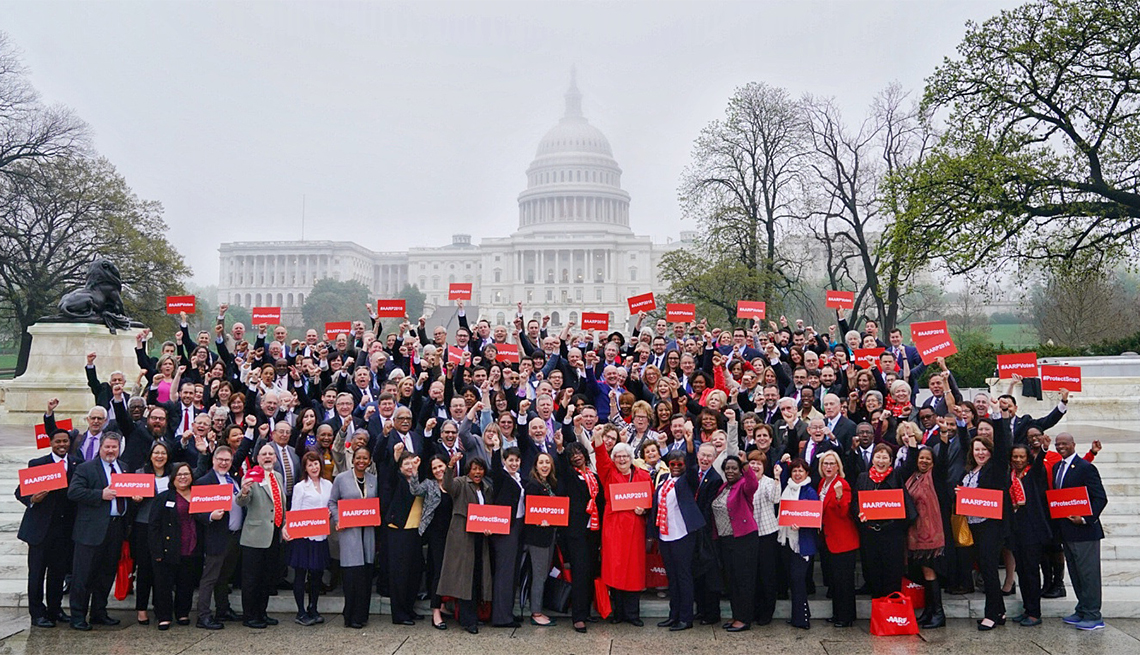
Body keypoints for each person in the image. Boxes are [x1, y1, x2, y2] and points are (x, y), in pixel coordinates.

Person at [67, 432, 130, 630]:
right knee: (83, 575)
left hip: (116, 528)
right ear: (100, 448)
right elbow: (74, 492)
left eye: (114, 447)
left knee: (106, 573)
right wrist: (99, 494)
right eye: (107, 447)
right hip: (90, 530)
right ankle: (78, 616)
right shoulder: (86, 468)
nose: (111, 451)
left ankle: (99, 612)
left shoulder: (124, 468)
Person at [16, 428, 78, 628]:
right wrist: (32, 499)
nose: (62, 445)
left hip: (64, 531)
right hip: (40, 530)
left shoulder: (78, 464)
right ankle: (37, 613)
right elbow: (20, 491)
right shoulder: (38, 464)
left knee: (57, 573)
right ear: (51, 442)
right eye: (58, 441)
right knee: (36, 574)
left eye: (65, 441)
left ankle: (55, 609)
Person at [1052, 432, 1108, 631]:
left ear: (1073, 444)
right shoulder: (1057, 467)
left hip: (1085, 532)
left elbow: (1100, 498)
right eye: (1058, 444)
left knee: (1088, 574)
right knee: (1076, 574)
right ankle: (1083, 609)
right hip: (1066, 531)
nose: (1061, 447)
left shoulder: (1086, 468)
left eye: (1064, 443)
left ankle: (1094, 615)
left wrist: (1085, 519)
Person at [593, 429, 650, 627]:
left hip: (635, 528)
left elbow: (650, 501)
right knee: (615, 569)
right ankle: (618, 612)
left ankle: (633, 614)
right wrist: (598, 437)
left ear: (631, 457)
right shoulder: (608, 472)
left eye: (625, 456)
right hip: (614, 528)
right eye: (617, 456)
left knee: (633, 571)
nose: (622, 459)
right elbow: (600, 456)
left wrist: (644, 510)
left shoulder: (643, 475)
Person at [962, 412, 1012, 631]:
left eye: (984, 450)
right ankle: (999, 611)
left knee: (989, 568)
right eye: (977, 450)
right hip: (974, 524)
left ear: (990, 451)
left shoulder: (996, 467)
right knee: (984, 567)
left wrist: (999, 419)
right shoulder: (971, 471)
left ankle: (991, 614)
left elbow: (1002, 448)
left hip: (991, 524)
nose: (980, 453)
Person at [437, 454, 494, 634]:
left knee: (477, 577)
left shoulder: (486, 487)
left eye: (480, 469)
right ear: (469, 470)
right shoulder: (461, 483)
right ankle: (468, 620)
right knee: (464, 579)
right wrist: (450, 466)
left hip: (480, 538)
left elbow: (489, 512)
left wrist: (489, 526)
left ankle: (475, 616)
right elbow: (447, 486)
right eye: (474, 469)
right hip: (463, 537)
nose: (477, 472)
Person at [652, 446, 706, 632]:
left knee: (683, 576)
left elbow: (692, 468)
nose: (675, 466)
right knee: (672, 578)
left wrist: (690, 448)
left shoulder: (688, 480)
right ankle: (673, 615)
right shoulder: (664, 481)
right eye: (672, 464)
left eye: (679, 464)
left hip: (682, 534)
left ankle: (685, 617)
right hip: (665, 535)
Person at [853, 443, 914, 600]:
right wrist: (859, 514)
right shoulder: (863, 478)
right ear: (872, 459)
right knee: (873, 571)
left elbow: (906, 507)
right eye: (878, 457)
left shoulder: (896, 476)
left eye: (884, 457)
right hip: (870, 533)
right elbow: (855, 502)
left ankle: (891, 611)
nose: (881, 461)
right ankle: (878, 612)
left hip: (892, 534)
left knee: (892, 574)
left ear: (890, 460)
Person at [899, 435, 947, 629]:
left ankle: (938, 613)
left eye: (928, 458)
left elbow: (943, 461)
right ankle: (929, 611)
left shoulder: (934, 476)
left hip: (930, 536)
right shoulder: (913, 476)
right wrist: (911, 446)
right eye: (921, 458)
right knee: (922, 572)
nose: (924, 461)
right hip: (914, 534)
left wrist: (943, 440)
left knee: (930, 572)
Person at [554, 440, 602, 633]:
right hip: (575, 533)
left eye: (579, 452)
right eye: (572, 454)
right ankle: (578, 617)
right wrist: (559, 449)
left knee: (590, 571)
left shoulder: (593, 476)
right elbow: (563, 468)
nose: (576, 456)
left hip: (593, 531)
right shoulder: (569, 475)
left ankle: (587, 611)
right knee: (580, 573)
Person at [236, 443, 286, 629]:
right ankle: (249, 616)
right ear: (258, 458)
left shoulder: (278, 476)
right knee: (251, 579)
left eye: (270, 454)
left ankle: (262, 613)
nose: (267, 457)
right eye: (263, 454)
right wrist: (244, 491)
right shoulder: (251, 476)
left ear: (275, 458)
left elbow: (280, 503)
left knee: (267, 578)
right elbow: (242, 502)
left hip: (274, 534)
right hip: (255, 536)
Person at [328, 446, 379, 629]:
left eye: (365, 458)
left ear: (369, 461)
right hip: (350, 533)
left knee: (365, 576)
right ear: (353, 459)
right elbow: (332, 502)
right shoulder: (341, 479)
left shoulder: (373, 479)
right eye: (358, 458)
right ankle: (350, 616)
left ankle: (362, 615)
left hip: (368, 534)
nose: (361, 461)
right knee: (352, 576)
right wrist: (338, 519)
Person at [194, 445, 243, 630]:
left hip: (234, 536)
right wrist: (209, 516)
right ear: (213, 460)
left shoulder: (234, 479)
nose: (224, 463)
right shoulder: (204, 481)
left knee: (225, 577)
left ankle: (223, 609)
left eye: (227, 460)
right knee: (210, 578)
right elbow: (197, 512)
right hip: (217, 536)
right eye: (220, 459)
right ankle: (203, 616)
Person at [148, 462, 202, 629]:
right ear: (173, 478)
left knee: (186, 583)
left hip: (192, 547)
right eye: (179, 474)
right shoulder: (164, 497)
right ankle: (164, 616)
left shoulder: (199, 495)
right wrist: (156, 550)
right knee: (164, 584)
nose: (183, 477)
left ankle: (182, 613)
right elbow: (154, 525)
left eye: (186, 474)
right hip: (168, 547)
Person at [385, 447, 434, 626]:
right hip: (399, 532)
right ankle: (399, 614)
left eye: (412, 463)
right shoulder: (396, 480)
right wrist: (396, 457)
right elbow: (390, 475)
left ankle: (408, 608)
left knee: (414, 572)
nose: (409, 466)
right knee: (400, 574)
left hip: (415, 533)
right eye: (405, 463)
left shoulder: (418, 482)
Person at [710, 454, 758, 631]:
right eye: (727, 468)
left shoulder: (744, 486)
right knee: (731, 580)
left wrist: (745, 463)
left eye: (734, 468)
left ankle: (744, 619)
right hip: (725, 540)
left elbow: (753, 483)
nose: (730, 471)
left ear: (740, 471)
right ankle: (736, 615)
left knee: (743, 580)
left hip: (743, 539)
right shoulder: (723, 487)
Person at [1008, 442, 1051, 627]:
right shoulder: (1009, 476)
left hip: (1032, 531)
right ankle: (1027, 608)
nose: (1018, 460)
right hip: (1016, 530)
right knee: (1022, 571)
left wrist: (1043, 450)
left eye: (1022, 457)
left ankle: (1035, 613)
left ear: (1027, 458)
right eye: (1015, 457)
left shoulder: (1032, 474)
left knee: (1032, 571)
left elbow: (1039, 463)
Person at [288, 451, 333, 626]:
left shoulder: (328, 484)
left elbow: (330, 505)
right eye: (310, 465)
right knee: (301, 574)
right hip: (303, 536)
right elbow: (295, 510)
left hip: (320, 535)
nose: (314, 467)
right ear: (305, 468)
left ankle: (313, 607)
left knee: (316, 575)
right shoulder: (301, 487)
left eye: (316, 464)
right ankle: (300, 611)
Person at [774, 458, 819, 630]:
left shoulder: (809, 491)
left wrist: (802, 523)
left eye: (801, 471)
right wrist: (782, 460)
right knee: (793, 581)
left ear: (807, 473)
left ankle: (803, 618)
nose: (797, 474)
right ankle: (798, 616)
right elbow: (779, 468)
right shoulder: (787, 487)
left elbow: (814, 517)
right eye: (794, 471)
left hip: (802, 543)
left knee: (798, 580)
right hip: (786, 540)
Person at [131, 441, 171, 626]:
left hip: (166, 527)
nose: (160, 456)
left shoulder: (173, 475)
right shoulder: (140, 474)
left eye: (163, 453)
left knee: (162, 570)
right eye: (156, 453)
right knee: (145, 569)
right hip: (144, 526)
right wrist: (135, 500)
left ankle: (160, 606)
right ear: (150, 455)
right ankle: (141, 609)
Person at [817, 450, 858, 628]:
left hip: (843, 540)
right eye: (825, 463)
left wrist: (840, 496)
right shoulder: (822, 483)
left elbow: (843, 513)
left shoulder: (842, 484)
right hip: (828, 538)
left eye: (832, 464)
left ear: (838, 466)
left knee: (844, 583)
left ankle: (846, 617)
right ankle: (837, 614)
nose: (828, 467)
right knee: (835, 581)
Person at [522, 452, 560, 627]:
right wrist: (539, 520)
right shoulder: (533, 485)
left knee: (543, 573)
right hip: (537, 538)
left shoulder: (549, 483)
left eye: (547, 462)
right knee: (539, 575)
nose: (545, 466)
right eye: (541, 463)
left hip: (549, 535)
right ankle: (536, 612)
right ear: (535, 466)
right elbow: (532, 510)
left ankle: (538, 609)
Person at [746, 449, 782, 626]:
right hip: (748, 534)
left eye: (758, 464)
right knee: (752, 574)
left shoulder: (768, 482)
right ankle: (753, 610)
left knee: (766, 574)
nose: (755, 466)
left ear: (763, 466)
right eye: (752, 463)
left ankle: (767, 612)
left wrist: (777, 478)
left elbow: (775, 498)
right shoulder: (743, 481)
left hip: (766, 533)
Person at [420, 455, 453, 630]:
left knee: (446, 570)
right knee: (437, 571)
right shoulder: (429, 485)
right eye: (434, 468)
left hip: (452, 534)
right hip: (436, 534)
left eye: (440, 466)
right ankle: (435, 612)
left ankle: (442, 604)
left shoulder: (453, 483)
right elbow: (414, 490)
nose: (438, 470)